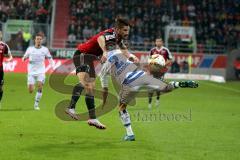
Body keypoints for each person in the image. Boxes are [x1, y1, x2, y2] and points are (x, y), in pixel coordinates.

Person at [101, 42, 198, 142]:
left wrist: (104, 99)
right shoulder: (121, 53)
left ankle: (130, 134)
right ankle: (178, 84)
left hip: (128, 83)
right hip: (140, 76)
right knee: (164, 87)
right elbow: (132, 57)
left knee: (121, 108)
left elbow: (104, 84)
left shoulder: (106, 64)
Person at [65, 18, 130, 129]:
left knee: (89, 86)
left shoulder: (118, 39)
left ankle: (89, 116)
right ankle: (74, 110)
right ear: (118, 29)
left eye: (128, 30)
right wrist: (104, 51)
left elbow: (124, 50)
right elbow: (100, 38)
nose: (127, 33)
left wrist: (132, 58)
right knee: (88, 84)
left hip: (89, 58)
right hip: (82, 54)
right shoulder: (111, 34)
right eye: (124, 30)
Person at [22, 34, 54, 110]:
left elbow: (50, 58)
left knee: (40, 86)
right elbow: (24, 57)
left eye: (40, 39)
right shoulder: (30, 49)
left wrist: (52, 67)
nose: (38, 40)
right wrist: (24, 58)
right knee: (30, 90)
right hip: (31, 72)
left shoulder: (45, 49)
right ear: (35, 40)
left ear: (42, 40)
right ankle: (31, 85)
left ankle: (36, 105)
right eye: (37, 39)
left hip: (41, 71)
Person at [148, 38, 173, 109]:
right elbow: (149, 60)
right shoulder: (152, 50)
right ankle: (149, 103)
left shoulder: (165, 50)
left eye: (159, 41)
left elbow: (171, 59)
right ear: (155, 42)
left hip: (161, 71)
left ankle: (157, 100)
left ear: (162, 43)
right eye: (156, 41)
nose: (158, 42)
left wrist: (164, 63)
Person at [0, 31, 13, 104]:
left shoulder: (4, 46)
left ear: (1, 35)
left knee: (0, 88)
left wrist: (8, 59)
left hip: (0, 69)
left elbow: (10, 56)